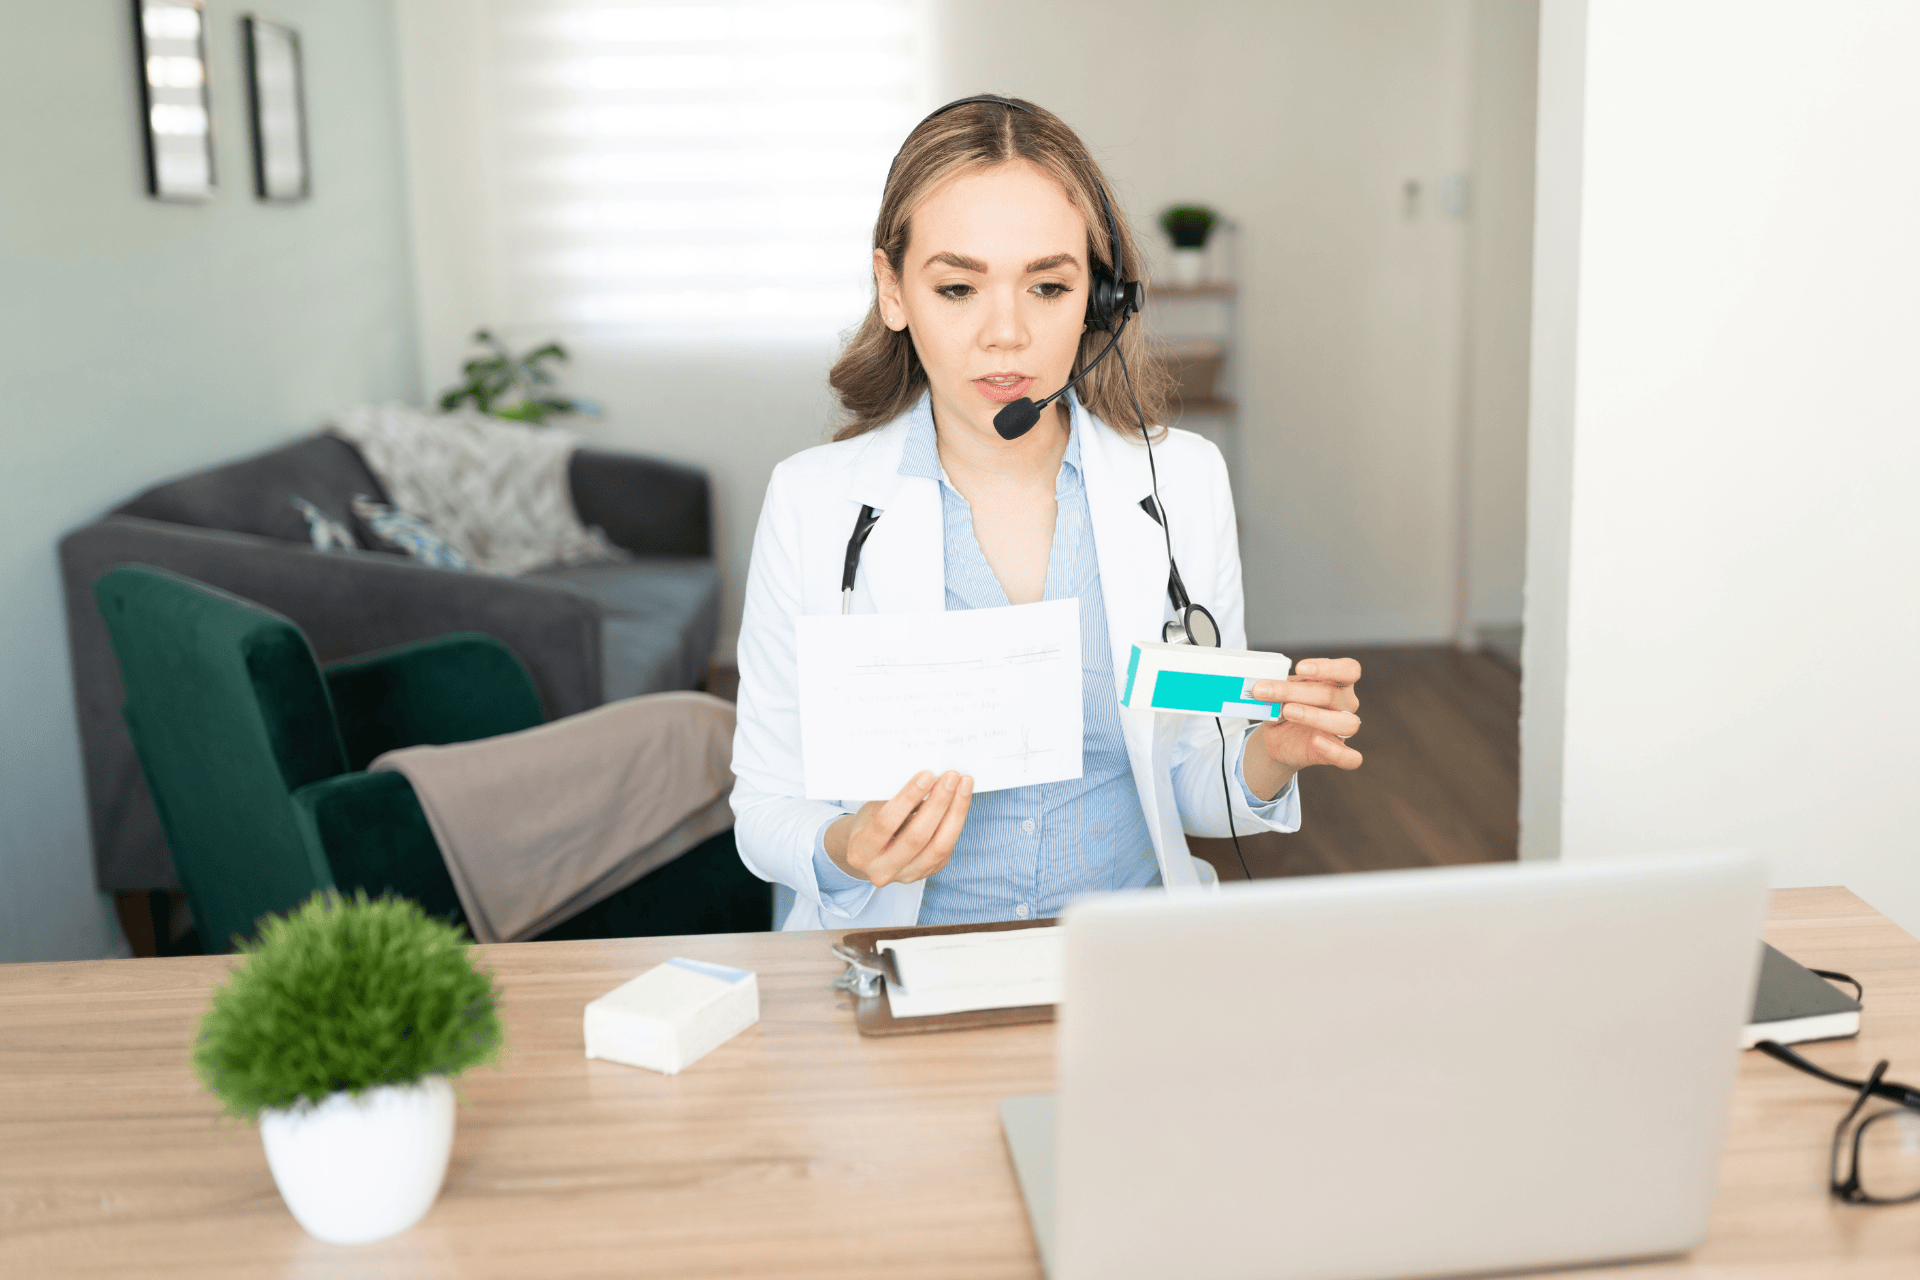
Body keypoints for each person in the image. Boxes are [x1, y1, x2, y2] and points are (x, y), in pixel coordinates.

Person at [731, 96, 1363, 931]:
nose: (1007, 333)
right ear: (893, 291)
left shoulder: (1181, 484)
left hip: (1123, 962)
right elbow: (766, 809)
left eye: (1049, 286)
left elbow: (1191, 788)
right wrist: (848, 846)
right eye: (957, 287)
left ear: (1102, 300)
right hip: (899, 963)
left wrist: (1269, 757)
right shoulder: (813, 503)